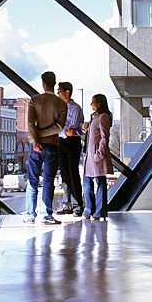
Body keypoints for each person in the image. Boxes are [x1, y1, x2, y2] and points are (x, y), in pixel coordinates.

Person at [24, 71, 68, 224]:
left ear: (43, 83)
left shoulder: (34, 101)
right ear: (54, 83)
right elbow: (59, 126)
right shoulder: (61, 104)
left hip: (35, 146)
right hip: (52, 146)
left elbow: (30, 124)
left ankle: (30, 215)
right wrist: (44, 134)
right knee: (49, 180)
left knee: (32, 181)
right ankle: (47, 215)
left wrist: (36, 139)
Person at [56, 82, 85, 216]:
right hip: (61, 142)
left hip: (72, 142)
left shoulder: (76, 109)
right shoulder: (59, 108)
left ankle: (77, 205)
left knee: (73, 173)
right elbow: (58, 128)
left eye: (60, 90)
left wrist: (62, 130)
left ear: (67, 92)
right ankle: (66, 204)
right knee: (64, 174)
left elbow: (72, 130)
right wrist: (62, 131)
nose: (58, 93)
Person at [82, 94, 112, 221]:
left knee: (99, 182)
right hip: (90, 156)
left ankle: (99, 211)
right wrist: (85, 128)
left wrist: (98, 155)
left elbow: (104, 138)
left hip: (96, 156)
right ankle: (89, 209)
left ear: (99, 104)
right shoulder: (94, 118)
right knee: (87, 182)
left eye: (93, 102)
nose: (91, 104)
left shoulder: (103, 117)